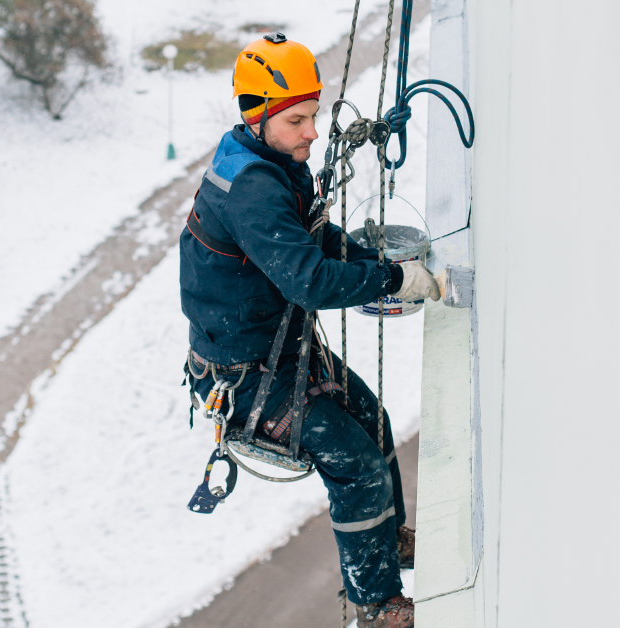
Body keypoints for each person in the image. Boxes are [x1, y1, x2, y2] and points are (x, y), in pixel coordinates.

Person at [179, 33, 439, 628]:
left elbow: (317, 241)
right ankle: (375, 604)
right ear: (259, 116)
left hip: (279, 353)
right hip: (244, 375)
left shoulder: (275, 163)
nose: (313, 133)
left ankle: (386, 539)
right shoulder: (251, 190)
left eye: (313, 117)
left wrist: (375, 267)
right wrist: (392, 282)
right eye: (298, 120)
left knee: (373, 423)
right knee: (355, 462)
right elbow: (310, 281)